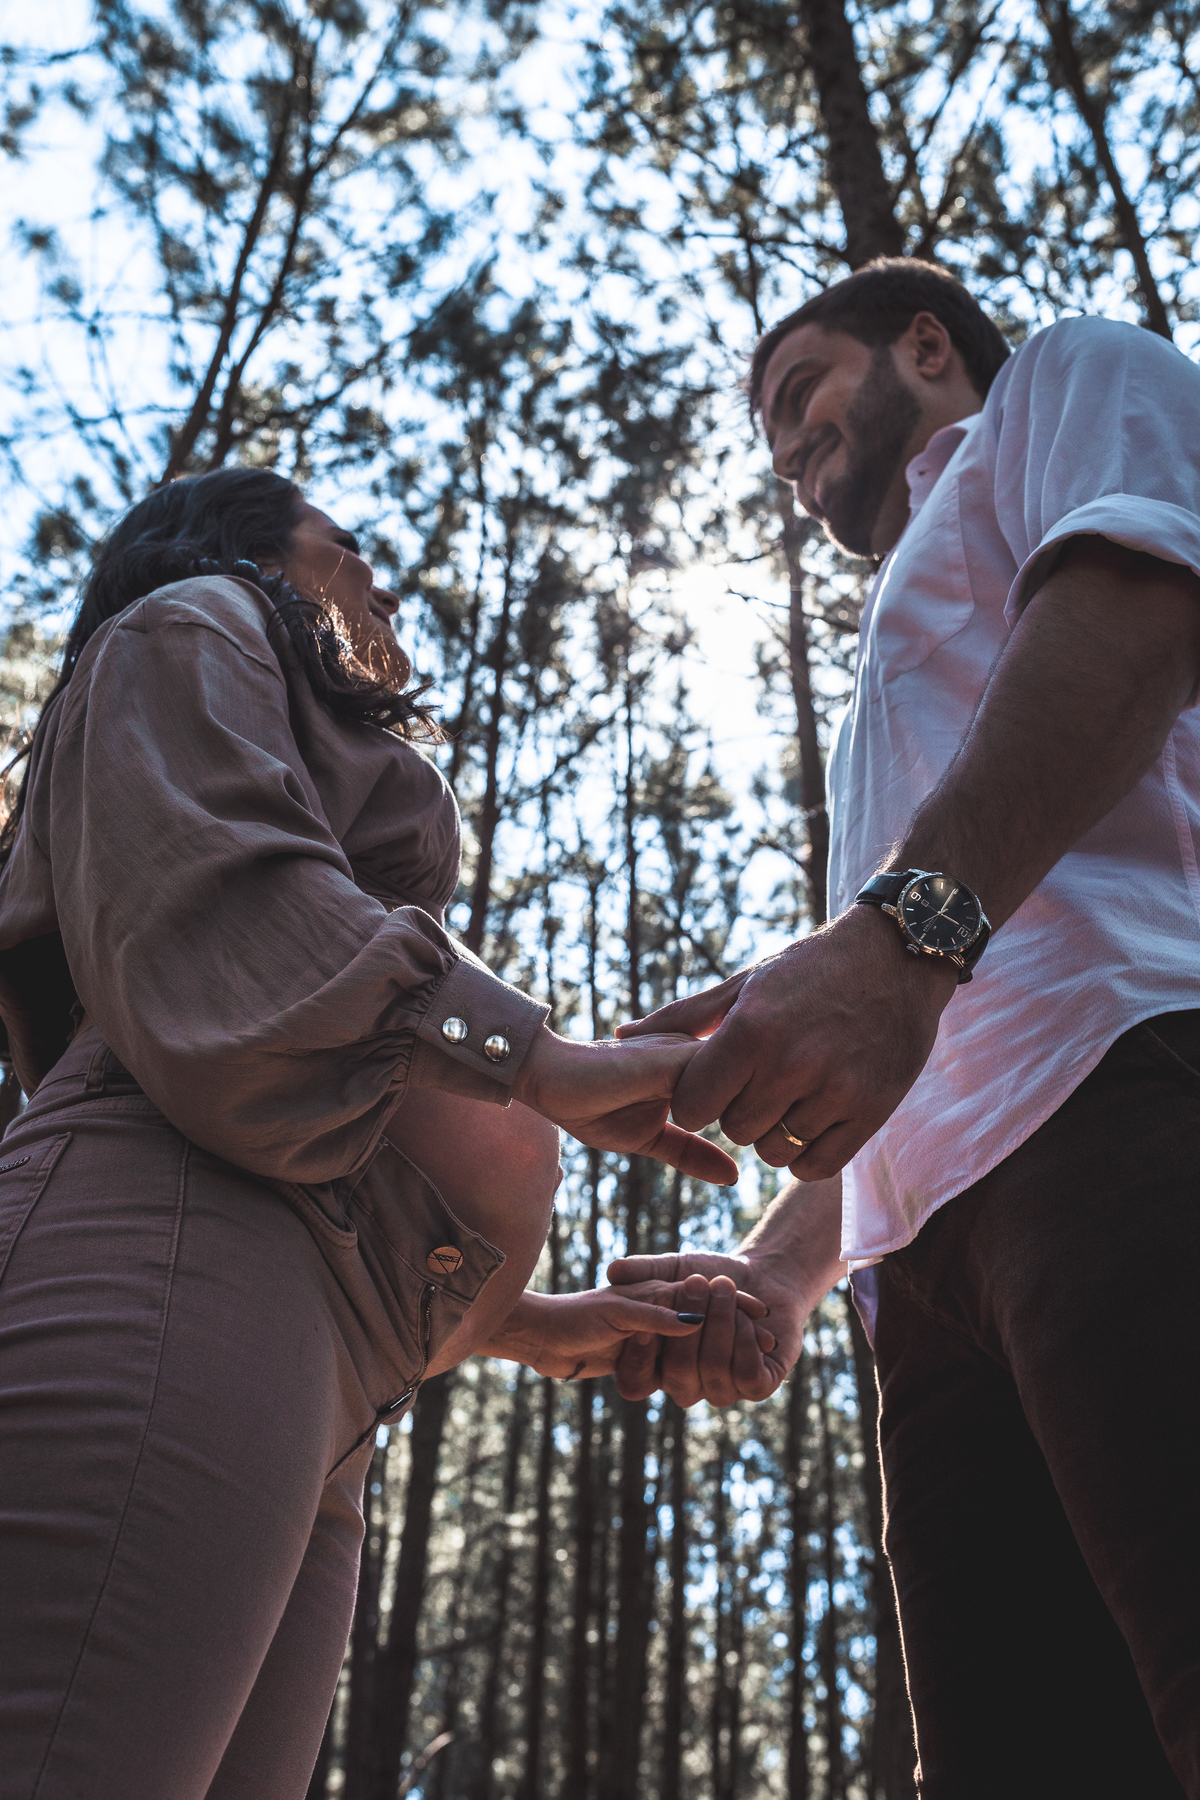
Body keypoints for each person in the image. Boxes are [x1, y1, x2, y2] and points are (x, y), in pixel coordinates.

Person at [0, 467, 768, 1800]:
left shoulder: (240, 671)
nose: (384, 578)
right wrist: (542, 1061)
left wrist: (525, 1321)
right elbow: (228, 919)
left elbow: (312, 1094)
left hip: (329, 1369)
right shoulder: (186, 622)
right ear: (241, 549)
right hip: (176, 1227)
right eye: (348, 547)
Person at [610, 260, 1200, 1796]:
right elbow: (912, 1031)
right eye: (777, 449)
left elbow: (1144, 600)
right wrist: (783, 1269)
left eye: (803, 399)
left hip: (1134, 1102)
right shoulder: (892, 646)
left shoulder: (1069, 381)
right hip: (921, 1295)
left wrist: (898, 939)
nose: (795, 459)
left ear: (924, 343)